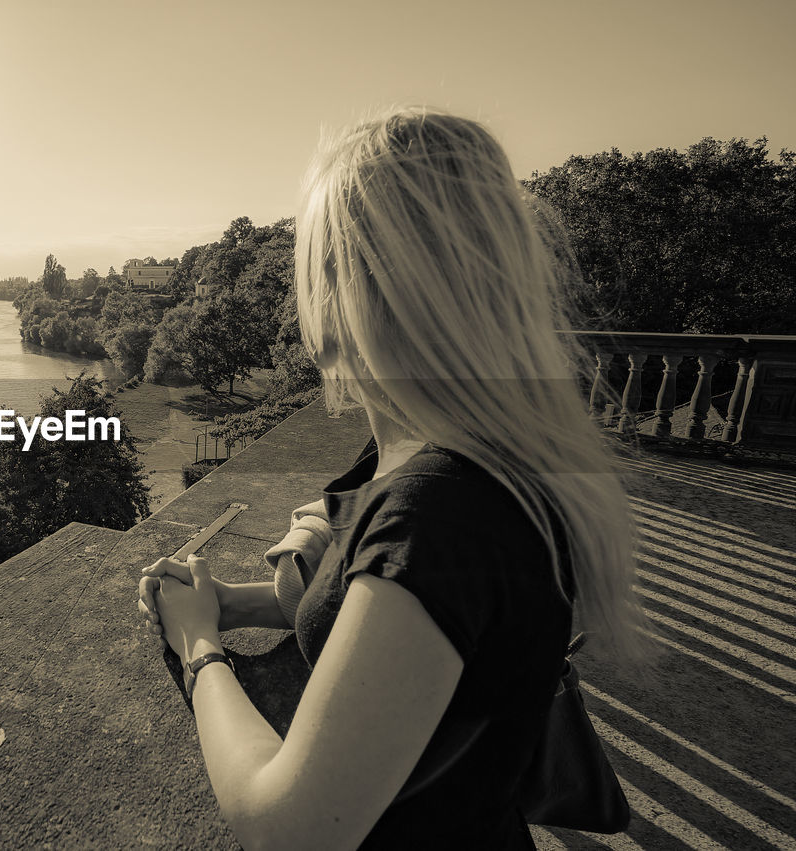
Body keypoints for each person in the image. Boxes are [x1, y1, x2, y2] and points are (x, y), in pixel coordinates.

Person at [136, 106, 648, 850]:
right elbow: (401, 618)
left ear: (350, 288)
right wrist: (233, 601)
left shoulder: (437, 512)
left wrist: (197, 648)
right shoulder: (481, 459)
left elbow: (287, 829)